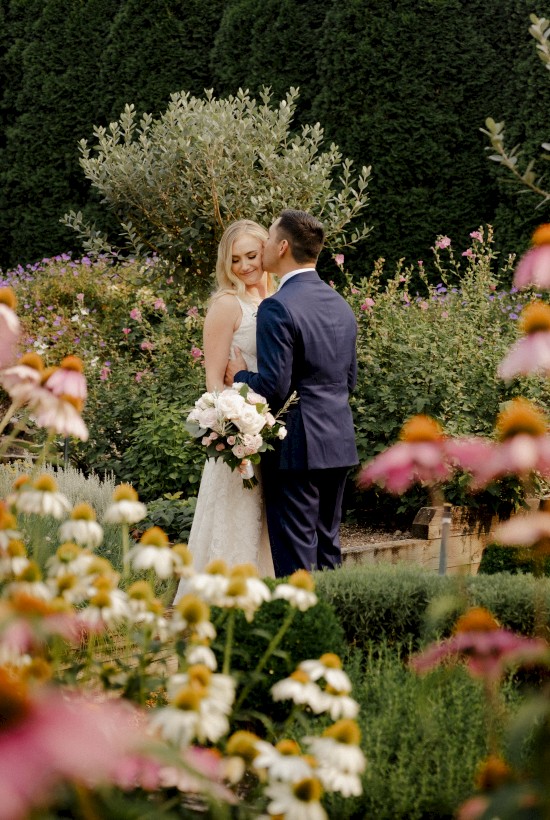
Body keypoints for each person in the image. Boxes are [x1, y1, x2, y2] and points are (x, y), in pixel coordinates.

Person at [225, 209, 358, 577]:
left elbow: (273, 387)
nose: (263, 245)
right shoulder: (340, 305)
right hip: (338, 443)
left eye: (268, 239)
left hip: (297, 449)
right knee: (328, 550)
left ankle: (305, 632)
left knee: (297, 562)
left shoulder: (277, 306)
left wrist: (238, 373)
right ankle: (335, 627)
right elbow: (349, 381)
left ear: (282, 247)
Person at [173, 220, 276, 602]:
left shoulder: (274, 300)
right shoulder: (227, 304)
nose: (246, 266)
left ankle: (266, 600)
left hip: (274, 431)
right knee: (235, 522)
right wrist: (237, 431)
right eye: (236, 260)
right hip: (242, 440)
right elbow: (214, 382)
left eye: (252, 255)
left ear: (267, 251)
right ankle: (225, 605)